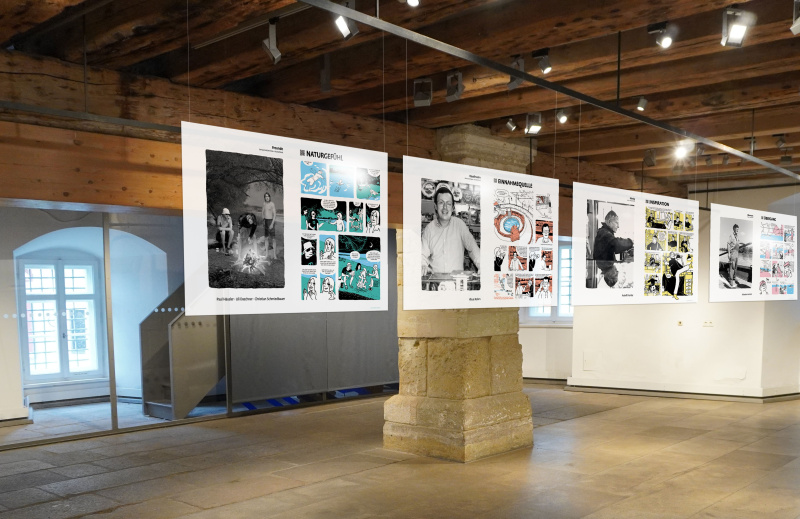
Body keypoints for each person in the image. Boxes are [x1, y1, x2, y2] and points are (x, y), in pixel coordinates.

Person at [420, 186, 480, 275]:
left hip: (457, 281)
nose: (445, 207)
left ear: (452, 207)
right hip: (436, 281)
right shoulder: (429, 229)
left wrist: (482, 266)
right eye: (441, 203)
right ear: (435, 206)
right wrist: (423, 265)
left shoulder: (460, 225)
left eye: (448, 204)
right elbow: (422, 255)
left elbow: (473, 248)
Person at [262, 192, 277, 259]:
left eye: (268, 196)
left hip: (271, 221)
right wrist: (263, 220)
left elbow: (274, 215)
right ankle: (267, 254)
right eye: (265, 196)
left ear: (269, 197)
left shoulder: (272, 204)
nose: (267, 197)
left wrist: (272, 224)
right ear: (264, 198)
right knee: (266, 238)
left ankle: (274, 255)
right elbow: (262, 212)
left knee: (273, 239)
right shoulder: (264, 203)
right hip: (266, 221)